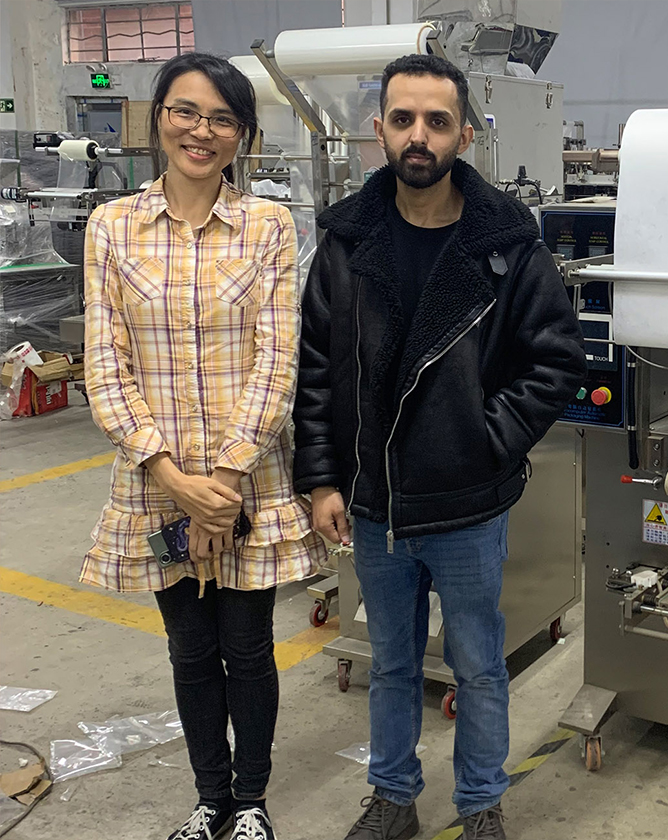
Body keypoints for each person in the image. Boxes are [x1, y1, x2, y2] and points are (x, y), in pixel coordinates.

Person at [293, 53, 587, 840]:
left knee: (480, 667)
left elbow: (556, 362)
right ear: (380, 129)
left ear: (465, 134)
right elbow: (316, 369)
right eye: (403, 119)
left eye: (436, 121)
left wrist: (485, 440)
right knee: (390, 666)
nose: (418, 135)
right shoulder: (347, 242)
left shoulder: (507, 245)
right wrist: (321, 479)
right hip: (376, 505)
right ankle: (393, 800)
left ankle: (480, 804)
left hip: (467, 506)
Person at [82, 52, 326, 840]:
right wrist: (173, 478)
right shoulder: (112, 227)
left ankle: (250, 802)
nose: (202, 131)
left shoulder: (268, 226)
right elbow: (104, 365)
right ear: (159, 118)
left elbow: (277, 361)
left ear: (243, 136)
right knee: (189, 651)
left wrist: (222, 484)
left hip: (246, 484)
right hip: (155, 486)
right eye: (186, 112)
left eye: (223, 119)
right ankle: (209, 798)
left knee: (248, 649)